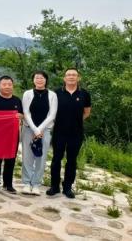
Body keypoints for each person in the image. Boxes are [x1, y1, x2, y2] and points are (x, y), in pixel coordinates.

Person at [47, 68, 91, 199]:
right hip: (59, 131)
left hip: (76, 133)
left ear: (78, 78)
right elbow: (51, 111)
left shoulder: (84, 94)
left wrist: (75, 121)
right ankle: (54, 186)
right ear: (64, 78)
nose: (71, 77)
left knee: (72, 160)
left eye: (74, 75)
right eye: (68, 75)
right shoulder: (56, 93)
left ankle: (67, 187)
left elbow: (87, 112)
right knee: (56, 159)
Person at [21, 70, 57, 196]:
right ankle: (26, 183)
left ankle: (36, 184)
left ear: (46, 80)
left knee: (41, 157)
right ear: (33, 80)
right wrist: (35, 129)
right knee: (27, 156)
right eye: (37, 77)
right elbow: (26, 112)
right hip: (28, 128)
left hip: (45, 130)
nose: (39, 80)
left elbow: (52, 115)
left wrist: (39, 129)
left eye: (42, 78)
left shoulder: (52, 95)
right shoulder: (27, 94)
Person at [0, 75, 23, 194]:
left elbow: (22, 115)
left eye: (9, 84)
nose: (7, 86)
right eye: (4, 84)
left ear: (12, 86)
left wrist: (20, 116)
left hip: (13, 135)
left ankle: (8, 184)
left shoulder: (17, 100)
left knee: (11, 160)